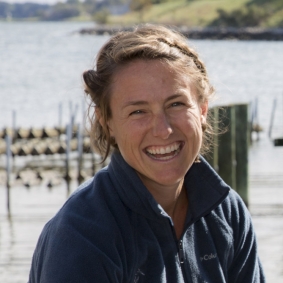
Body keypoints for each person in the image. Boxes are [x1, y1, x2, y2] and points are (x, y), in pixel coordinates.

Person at [28, 24, 265, 283]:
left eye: (176, 104)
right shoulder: (81, 234)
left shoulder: (228, 213)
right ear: (108, 122)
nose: (163, 130)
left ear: (203, 110)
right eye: (138, 111)